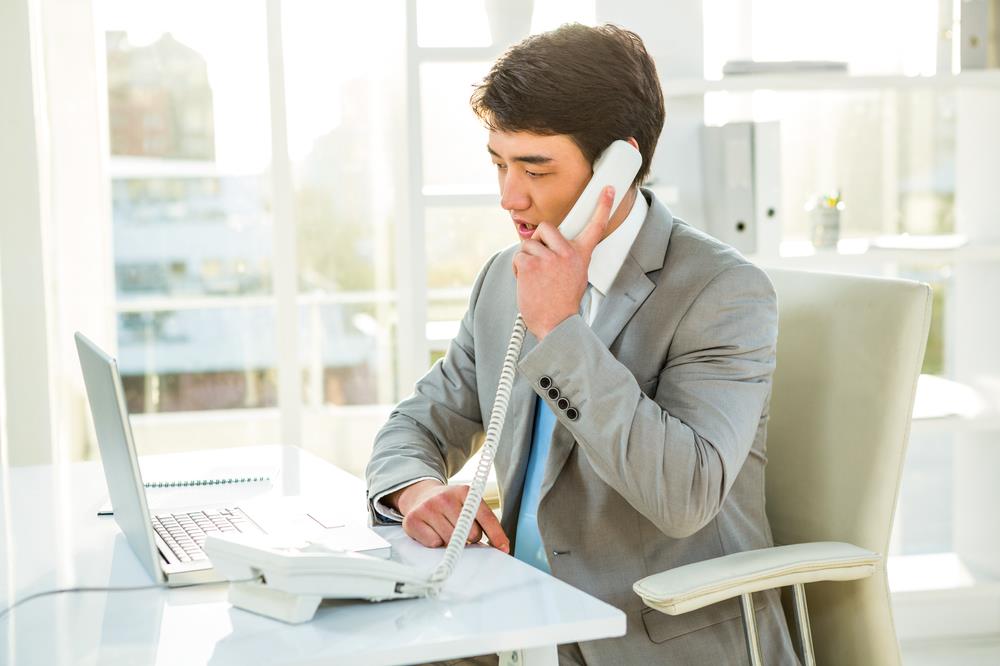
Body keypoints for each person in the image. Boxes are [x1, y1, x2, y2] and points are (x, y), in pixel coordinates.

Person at [366, 23, 797, 665]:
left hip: (641, 642)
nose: (509, 196)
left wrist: (561, 328)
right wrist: (416, 491)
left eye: (535, 168)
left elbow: (685, 497)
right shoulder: (502, 281)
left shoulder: (723, 292)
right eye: (500, 163)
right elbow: (416, 423)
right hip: (514, 624)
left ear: (614, 169)